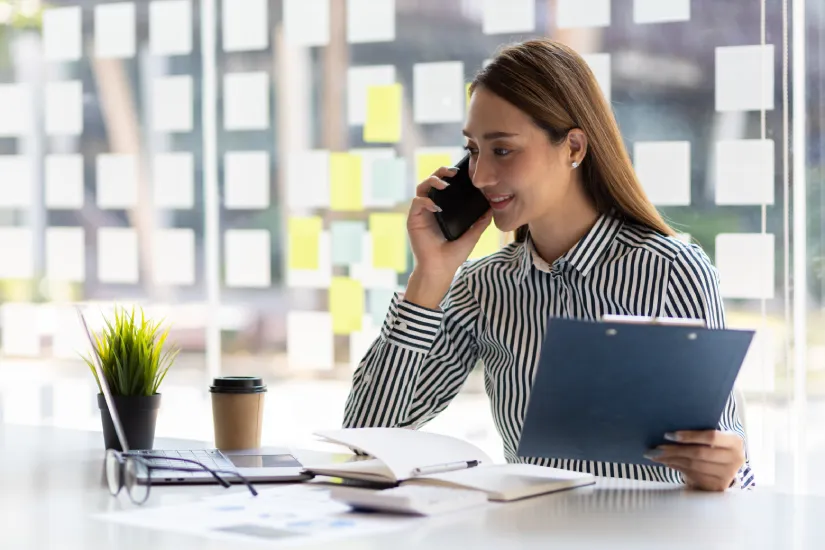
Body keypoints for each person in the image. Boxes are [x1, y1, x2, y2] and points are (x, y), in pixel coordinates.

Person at [343, 38, 754, 491]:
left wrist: (725, 470)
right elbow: (366, 439)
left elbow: (734, 474)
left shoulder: (674, 271)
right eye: (473, 151)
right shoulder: (486, 287)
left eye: (502, 150)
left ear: (574, 146)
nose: (478, 177)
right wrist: (430, 276)